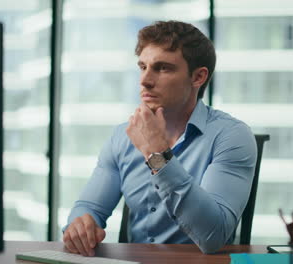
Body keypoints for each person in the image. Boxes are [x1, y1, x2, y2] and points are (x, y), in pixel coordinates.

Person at [63, 20, 257, 255]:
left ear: (198, 77)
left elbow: (213, 236)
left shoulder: (231, 136)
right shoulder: (122, 137)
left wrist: (157, 155)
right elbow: (89, 207)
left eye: (162, 68)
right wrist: (79, 225)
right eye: (142, 67)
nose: (145, 80)